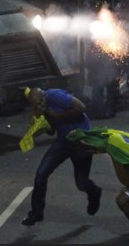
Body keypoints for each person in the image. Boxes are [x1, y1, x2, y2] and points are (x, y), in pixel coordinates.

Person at [21, 87, 102, 226]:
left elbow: (81, 107)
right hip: (63, 140)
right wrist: (42, 127)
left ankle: (94, 192)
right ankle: (36, 213)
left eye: (40, 103)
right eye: (35, 106)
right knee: (41, 173)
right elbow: (52, 131)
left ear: (43, 96)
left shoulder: (55, 96)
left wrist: (56, 116)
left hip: (80, 139)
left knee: (81, 183)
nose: (39, 107)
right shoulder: (40, 109)